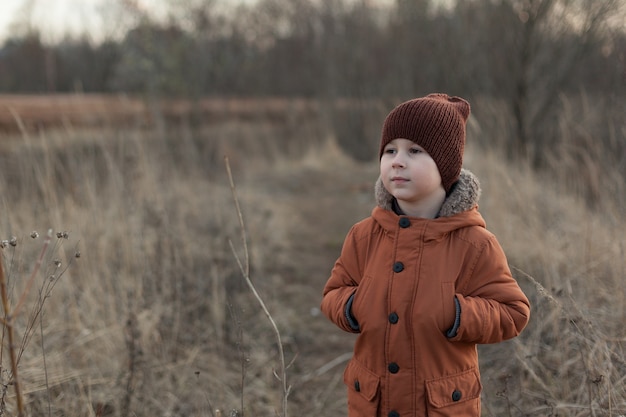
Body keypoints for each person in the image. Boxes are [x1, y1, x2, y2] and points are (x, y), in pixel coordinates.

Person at [320, 93, 530, 417]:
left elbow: (513, 311)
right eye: (390, 150)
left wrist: (455, 312)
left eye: (415, 151)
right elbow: (333, 293)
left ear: (445, 165)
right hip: (373, 403)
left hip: (440, 405)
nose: (397, 161)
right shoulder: (364, 236)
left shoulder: (475, 244)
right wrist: (355, 305)